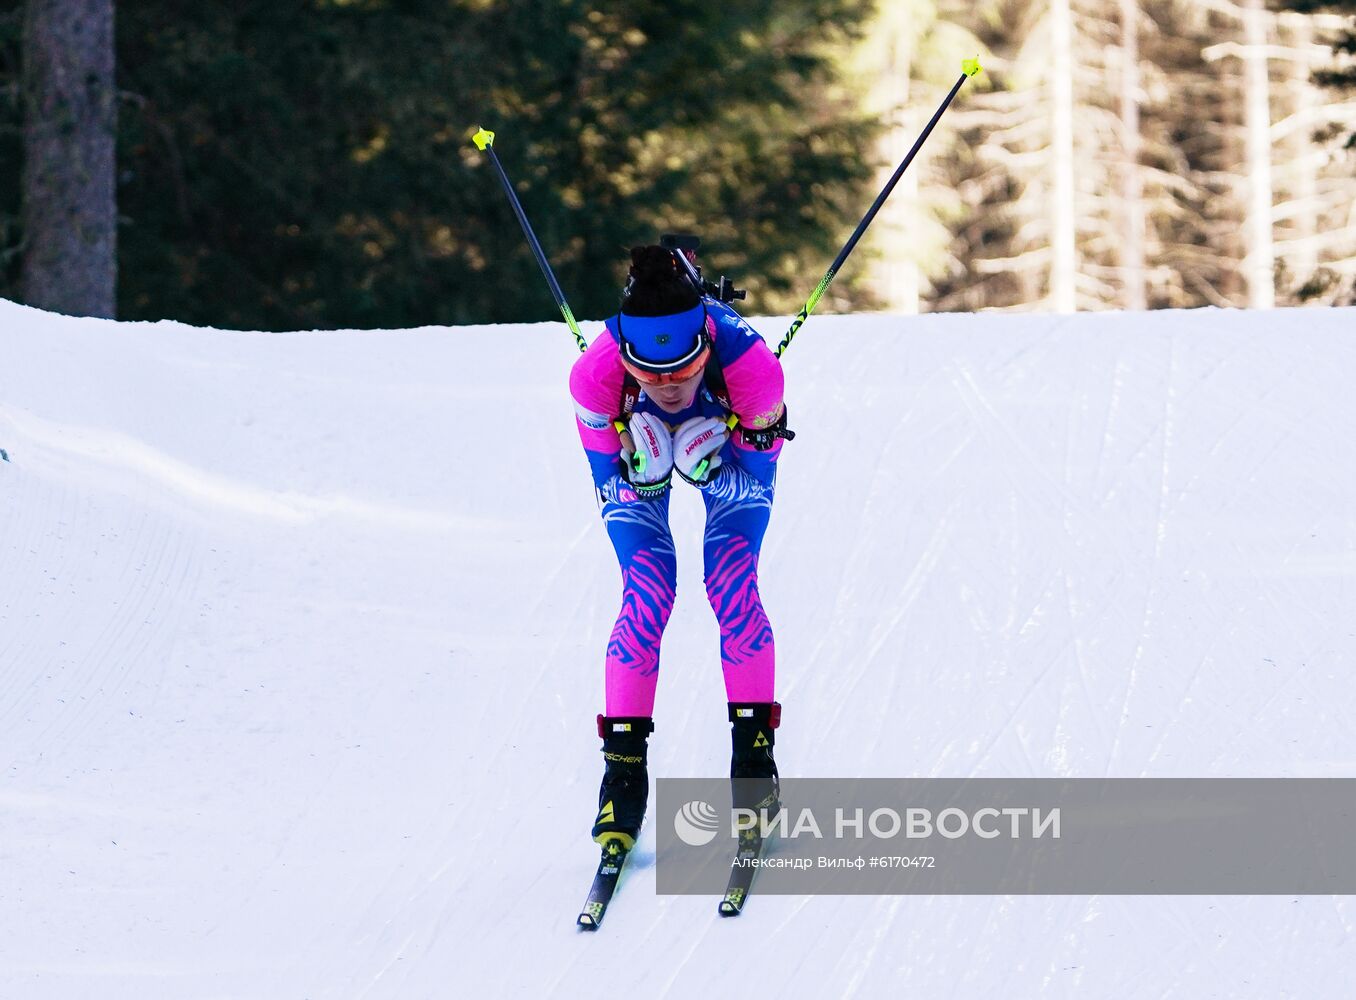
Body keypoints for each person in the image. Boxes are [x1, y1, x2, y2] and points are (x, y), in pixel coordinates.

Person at [568, 243, 792, 849]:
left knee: (731, 585)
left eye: (684, 369)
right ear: (626, 356)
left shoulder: (753, 371)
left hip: (727, 434)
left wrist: (713, 462)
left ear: (707, 350)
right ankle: (623, 776)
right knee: (648, 591)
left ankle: (754, 769)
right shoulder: (595, 377)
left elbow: (757, 466)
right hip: (632, 444)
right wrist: (640, 466)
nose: (667, 386)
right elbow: (606, 473)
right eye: (648, 373)